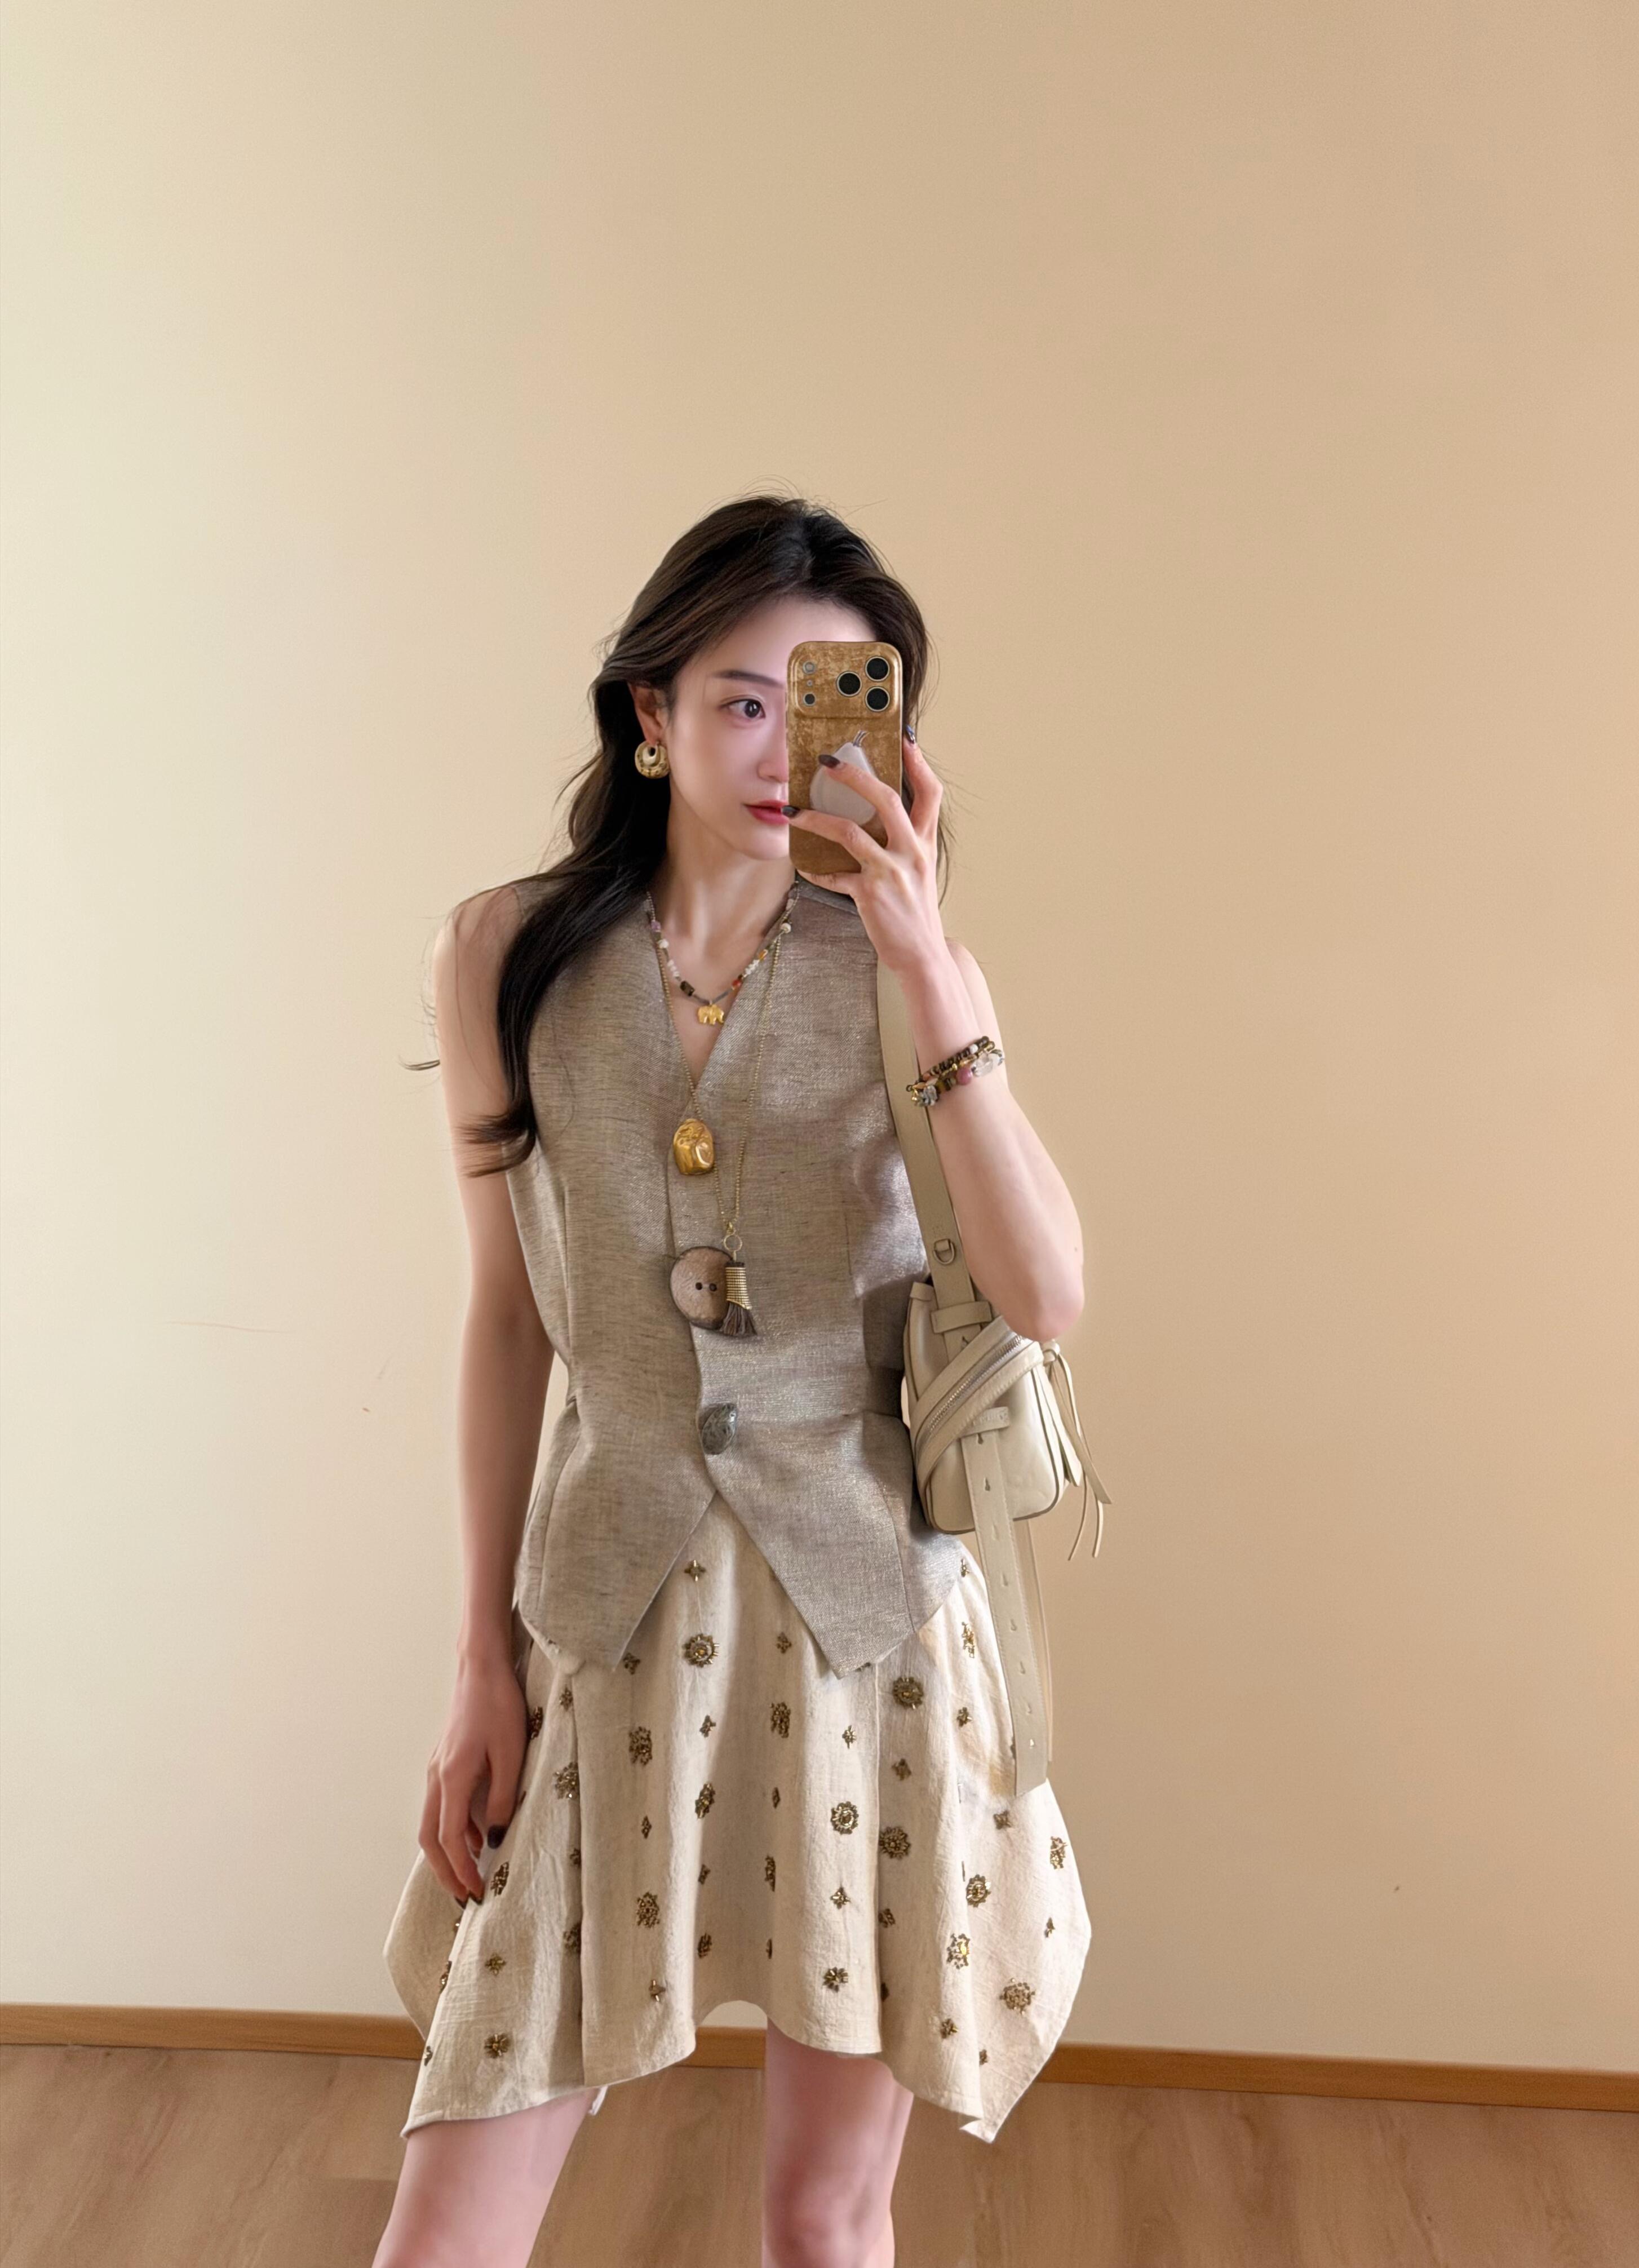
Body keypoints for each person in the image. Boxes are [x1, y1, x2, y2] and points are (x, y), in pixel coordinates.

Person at [374, 494, 1093, 2268]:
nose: (783, 749)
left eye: (832, 699)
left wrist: (926, 960)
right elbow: (508, 1322)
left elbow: (1047, 1294)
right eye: (741, 699)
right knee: (450, 2218)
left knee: (822, 2217)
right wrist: (479, 1660)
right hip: (606, 1612)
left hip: (869, 1633)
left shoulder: (914, 972)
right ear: (653, 713)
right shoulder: (505, 956)